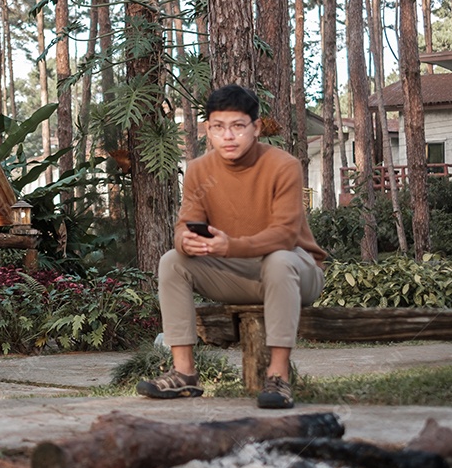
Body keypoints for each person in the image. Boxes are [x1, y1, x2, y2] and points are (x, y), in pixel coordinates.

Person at [136, 84, 326, 409]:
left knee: (279, 259)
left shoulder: (284, 165)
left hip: (297, 271)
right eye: (218, 127)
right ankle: (184, 374)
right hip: (240, 273)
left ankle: (278, 377)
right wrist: (186, 240)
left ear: (255, 127)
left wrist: (229, 246)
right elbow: (184, 225)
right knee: (172, 261)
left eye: (238, 126)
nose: (228, 136)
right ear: (207, 130)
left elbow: (284, 236)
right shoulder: (198, 170)